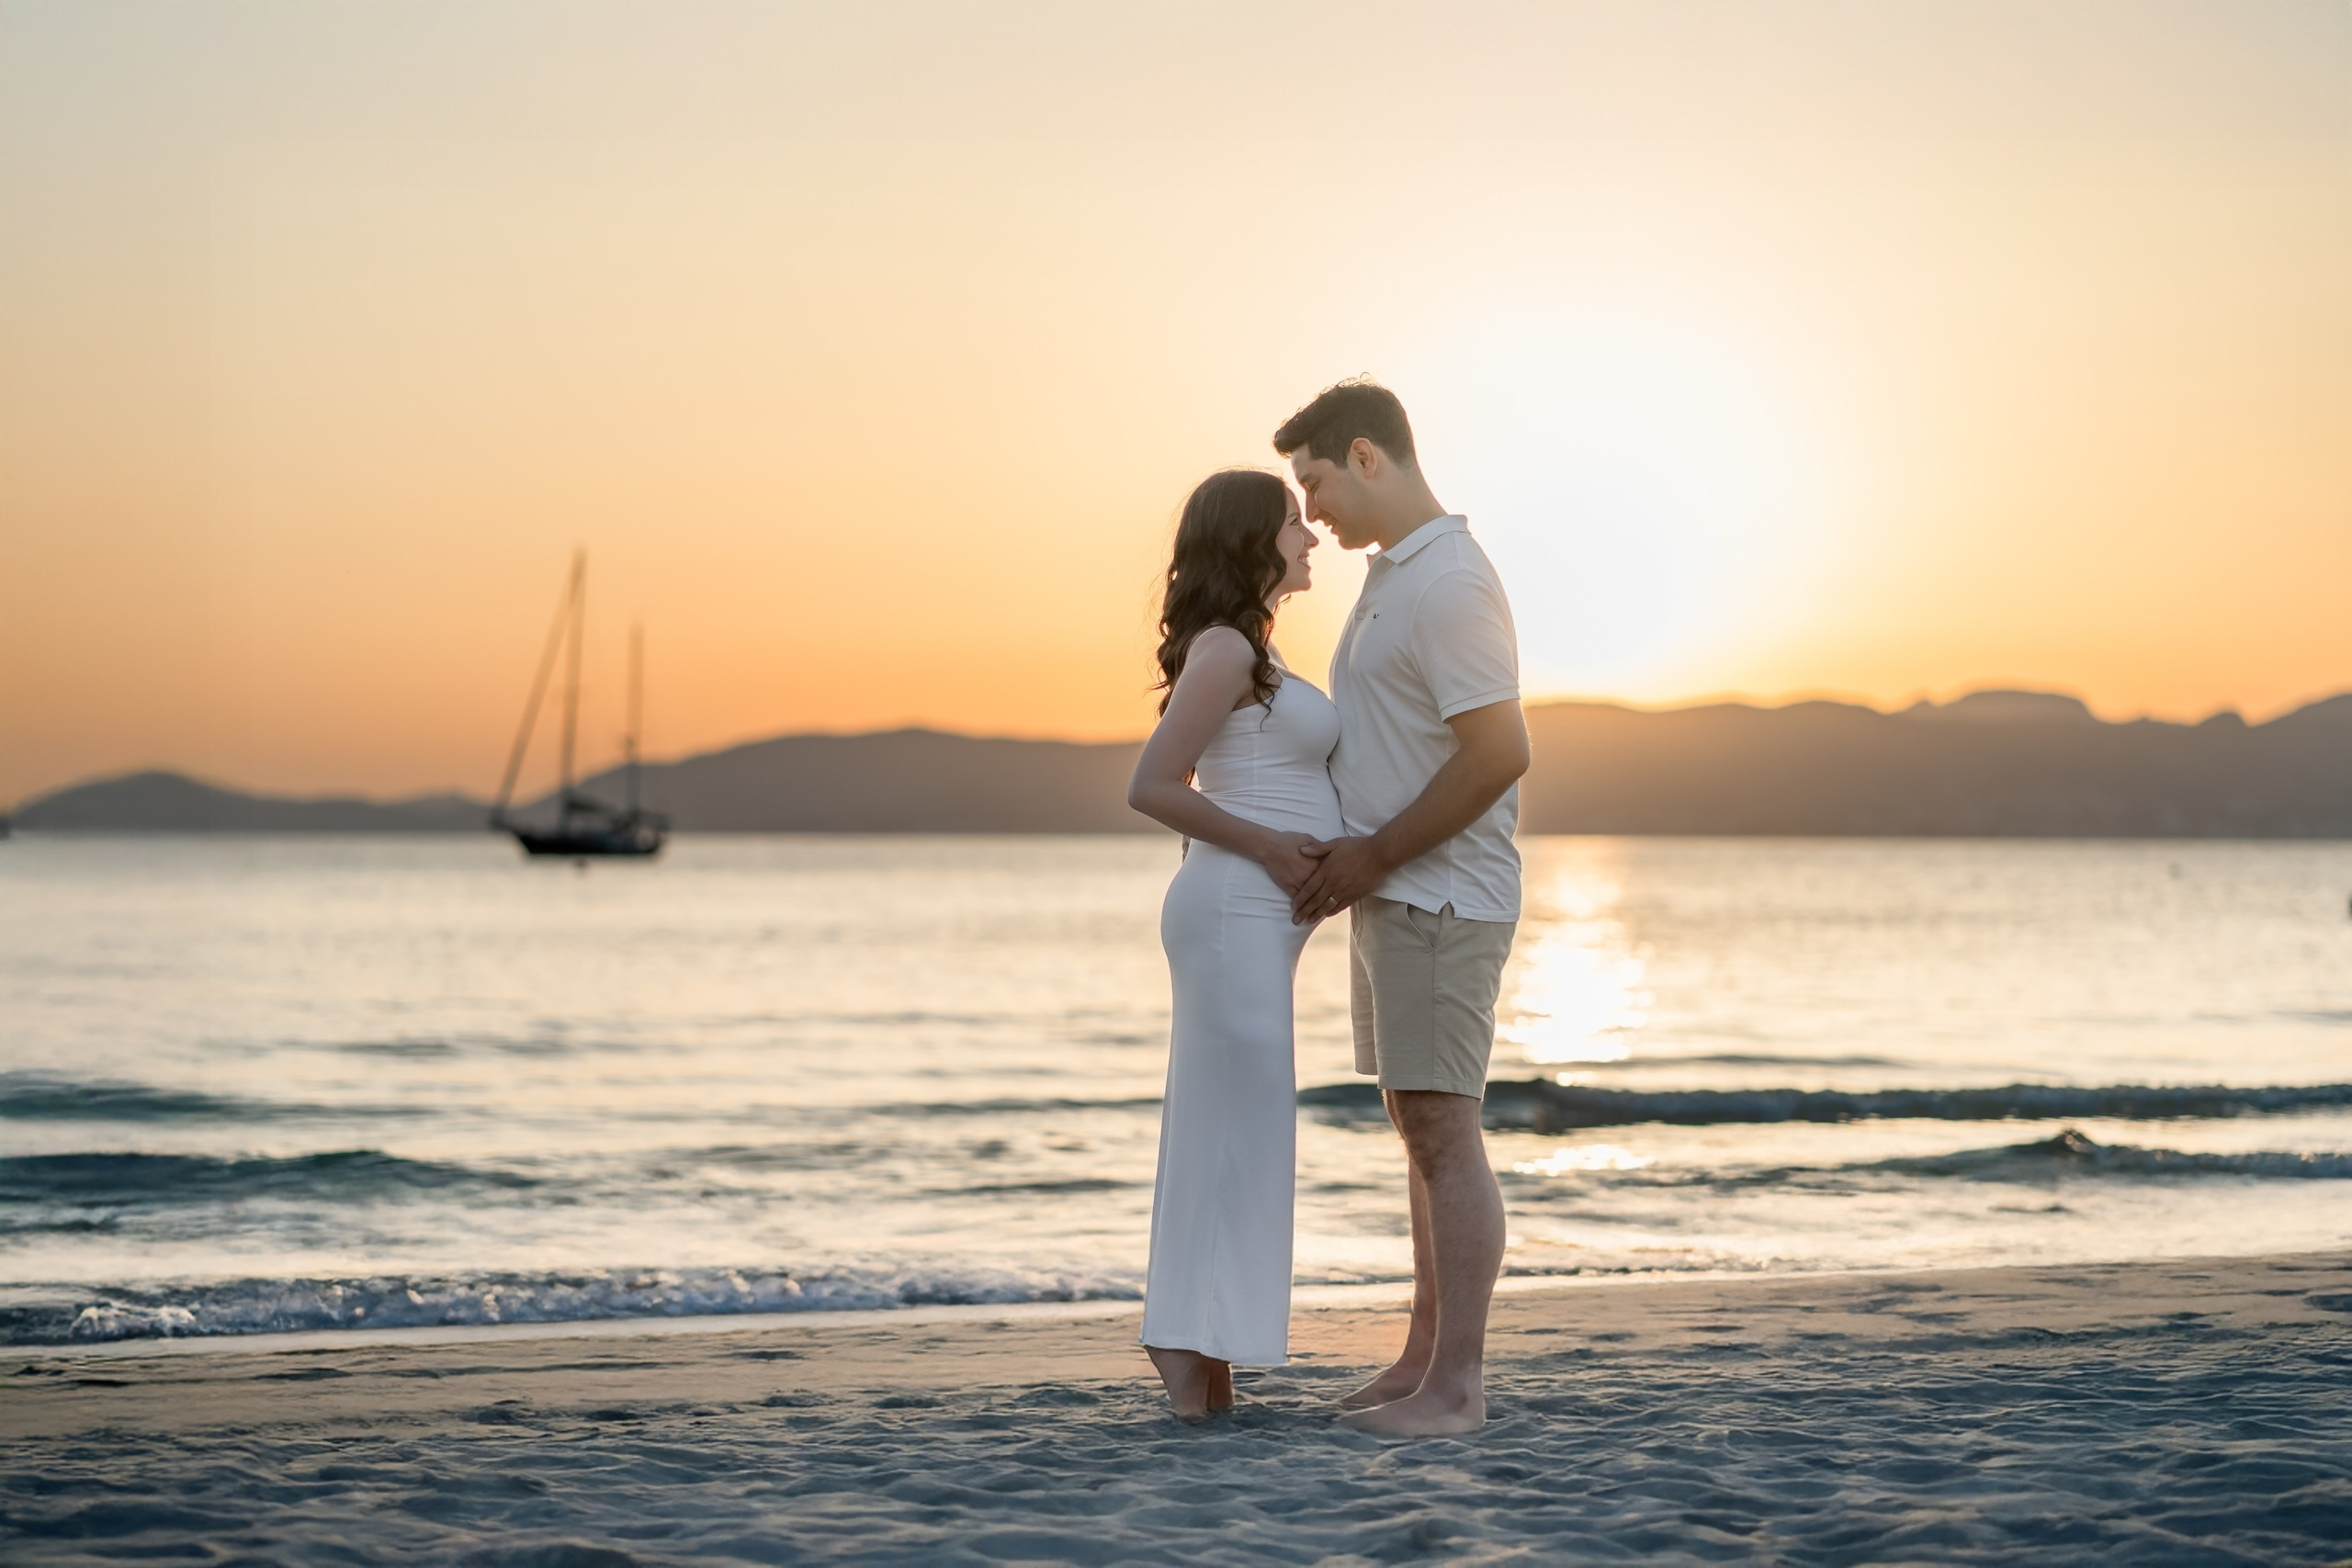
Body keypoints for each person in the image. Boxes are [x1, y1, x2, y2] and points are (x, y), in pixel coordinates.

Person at [1276, 379, 1530, 1437]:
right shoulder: (1393, 578)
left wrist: (1374, 853)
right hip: (1390, 891)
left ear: (1368, 456)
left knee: (1443, 1129)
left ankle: (1457, 1390)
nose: (1311, 512)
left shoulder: (1450, 582)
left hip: (1437, 892)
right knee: (1413, 1122)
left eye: (1316, 481)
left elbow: (1500, 752)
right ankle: (1422, 1360)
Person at [1126, 468, 1339, 1420]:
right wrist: (1268, 849)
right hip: (1227, 910)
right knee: (1230, 1127)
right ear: (1254, 537)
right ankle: (1182, 1342)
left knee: (1236, 1128)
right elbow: (1153, 785)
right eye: (1295, 522)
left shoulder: (1254, 649)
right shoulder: (1224, 649)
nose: (1312, 538)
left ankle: (1200, 1341)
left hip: (1254, 915)